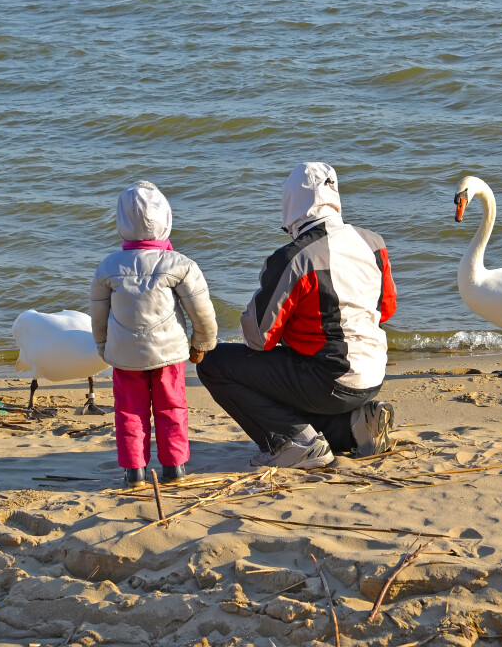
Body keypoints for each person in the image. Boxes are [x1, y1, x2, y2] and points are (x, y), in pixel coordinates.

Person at [196, 162, 397, 469]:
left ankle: (293, 443)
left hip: (330, 380)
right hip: (372, 375)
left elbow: (258, 338)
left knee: (214, 363)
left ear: (290, 203)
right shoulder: (373, 243)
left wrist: (268, 302)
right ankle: (354, 427)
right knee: (292, 374)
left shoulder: (293, 258)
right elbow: (386, 310)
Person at [91, 181, 218, 489]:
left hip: (125, 357)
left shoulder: (108, 266)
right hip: (168, 355)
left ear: (121, 223)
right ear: (166, 220)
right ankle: (174, 467)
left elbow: (98, 313)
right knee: (172, 406)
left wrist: (103, 344)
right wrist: (202, 342)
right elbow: (201, 310)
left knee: (129, 412)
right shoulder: (180, 264)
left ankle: (134, 472)